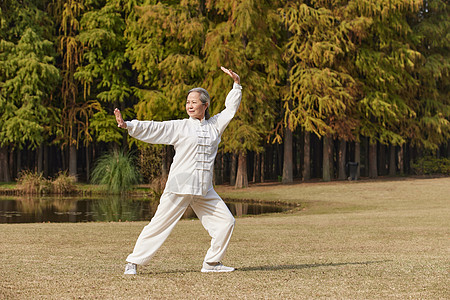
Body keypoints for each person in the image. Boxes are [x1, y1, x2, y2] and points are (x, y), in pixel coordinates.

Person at [114, 66, 242, 274]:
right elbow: (156, 128)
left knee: (226, 222)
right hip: (180, 185)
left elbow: (230, 110)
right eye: (188, 102)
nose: (190, 106)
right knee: (159, 225)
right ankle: (133, 262)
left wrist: (236, 86)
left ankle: (211, 263)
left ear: (205, 105)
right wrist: (129, 125)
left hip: (203, 188)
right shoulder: (181, 126)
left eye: (194, 102)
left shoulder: (215, 126)